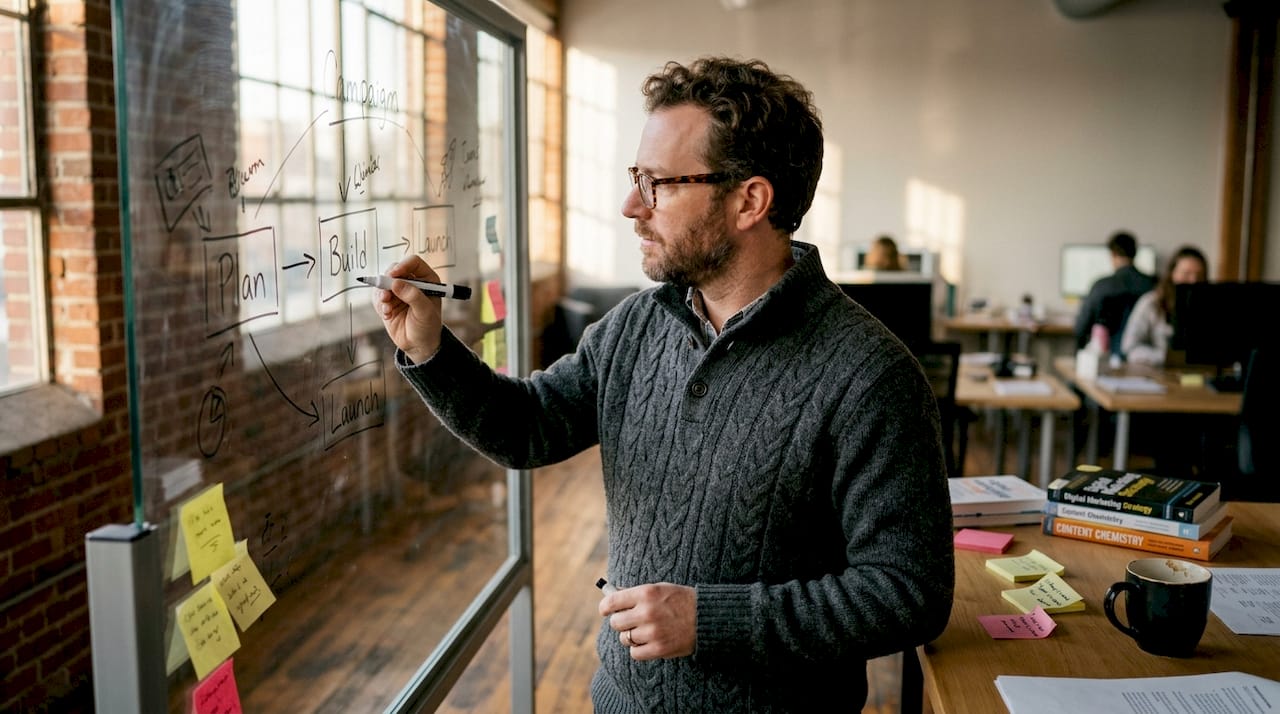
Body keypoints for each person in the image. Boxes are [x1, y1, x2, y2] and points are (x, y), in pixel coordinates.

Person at [371, 56, 954, 713]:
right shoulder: (638, 325)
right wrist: (429, 347)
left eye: (657, 184)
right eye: (634, 178)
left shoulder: (869, 375)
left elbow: (908, 591)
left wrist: (711, 620)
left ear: (749, 201)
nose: (630, 206)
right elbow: (527, 427)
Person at [1120, 245, 1208, 365]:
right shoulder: (1151, 302)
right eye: (1186, 273)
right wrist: (1165, 357)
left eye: (1199, 275)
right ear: (1173, 273)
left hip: (1200, 374)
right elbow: (1129, 347)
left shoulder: (1209, 306)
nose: (1194, 280)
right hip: (1159, 373)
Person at [1072, 230, 1156, 355]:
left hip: (1109, 357)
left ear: (1113, 254)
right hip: (1145, 358)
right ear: (1135, 253)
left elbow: (1081, 327)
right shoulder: (1154, 284)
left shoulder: (1102, 286)